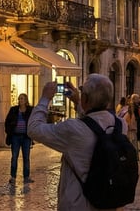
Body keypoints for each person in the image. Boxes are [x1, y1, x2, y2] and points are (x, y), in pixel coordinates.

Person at [27, 74, 127, 210]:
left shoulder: (73, 129)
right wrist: (78, 102)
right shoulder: (121, 125)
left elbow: (33, 129)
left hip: (78, 203)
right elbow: (95, 122)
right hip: (108, 202)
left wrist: (45, 98)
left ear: (85, 98)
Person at [4, 93, 34, 184]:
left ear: (26, 100)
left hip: (26, 137)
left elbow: (33, 121)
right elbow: (7, 121)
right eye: (19, 99)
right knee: (14, 157)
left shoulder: (30, 110)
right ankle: (13, 177)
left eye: (22, 99)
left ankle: (26, 176)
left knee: (26, 157)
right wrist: (9, 131)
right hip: (15, 136)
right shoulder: (14, 110)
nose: (20, 100)